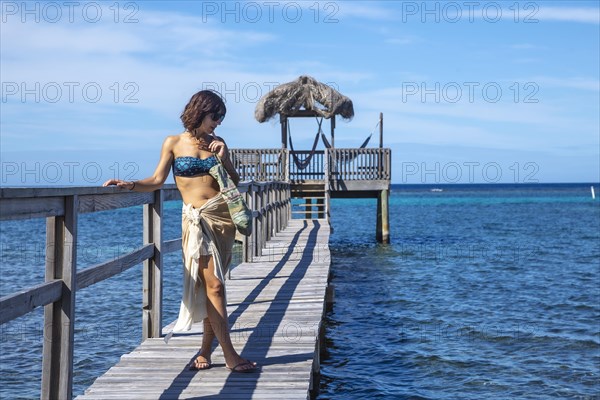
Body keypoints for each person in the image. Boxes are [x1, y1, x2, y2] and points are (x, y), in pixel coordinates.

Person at [103, 90, 257, 373]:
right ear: (200, 111)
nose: (219, 122)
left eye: (222, 117)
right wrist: (131, 184)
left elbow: (233, 181)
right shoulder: (173, 142)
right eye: (215, 116)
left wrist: (225, 159)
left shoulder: (218, 143)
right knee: (215, 286)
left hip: (222, 219)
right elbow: (157, 179)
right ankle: (231, 355)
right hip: (196, 222)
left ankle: (204, 351)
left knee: (213, 288)